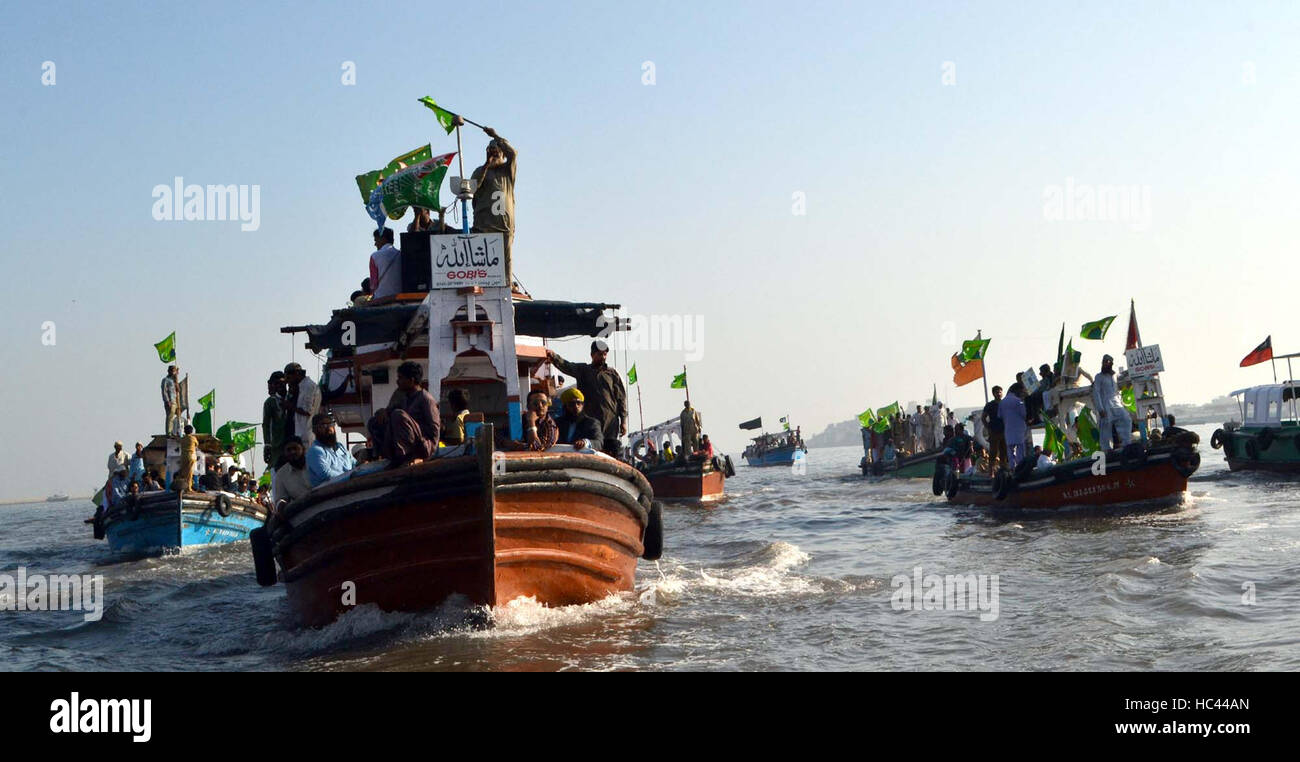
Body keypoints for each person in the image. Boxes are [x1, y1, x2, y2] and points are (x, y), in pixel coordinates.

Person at [545, 340, 627, 457]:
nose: (603, 357)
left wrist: (623, 421)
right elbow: (566, 366)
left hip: (611, 422)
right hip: (590, 421)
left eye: (604, 354)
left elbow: (621, 398)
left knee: (612, 451)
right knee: (592, 448)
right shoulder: (583, 370)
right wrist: (554, 357)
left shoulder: (612, 374)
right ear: (592, 355)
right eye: (600, 354)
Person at [468, 125, 518, 285]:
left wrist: (496, 136)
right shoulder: (480, 170)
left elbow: (513, 153)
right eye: (490, 149)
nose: (494, 152)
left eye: (497, 150)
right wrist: (486, 164)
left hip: (503, 227)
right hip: (483, 227)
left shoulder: (507, 171)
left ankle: (507, 288)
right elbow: (472, 189)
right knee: (481, 266)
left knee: (505, 266)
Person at [368, 361, 441, 467]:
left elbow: (434, 433)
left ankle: (404, 456)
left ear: (411, 380)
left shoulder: (426, 399)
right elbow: (388, 413)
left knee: (398, 415)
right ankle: (386, 456)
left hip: (422, 447)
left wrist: (421, 441)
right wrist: (382, 412)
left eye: (401, 378)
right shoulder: (405, 399)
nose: (398, 382)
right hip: (409, 443)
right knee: (374, 421)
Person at [1092, 354, 1132, 450]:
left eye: (1107, 362)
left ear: (1111, 363)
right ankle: (1106, 449)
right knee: (1105, 428)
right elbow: (1096, 393)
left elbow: (1117, 392)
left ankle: (1127, 444)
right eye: (1104, 362)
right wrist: (1100, 409)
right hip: (1106, 406)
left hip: (1117, 404)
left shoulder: (1113, 377)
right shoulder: (1098, 377)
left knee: (1126, 419)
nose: (1105, 364)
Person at [306, 413, 357, 486]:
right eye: (323, 425)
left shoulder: (340, 447)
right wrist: (350, 476)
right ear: (314, 430)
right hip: (328, 493)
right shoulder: (315, 451)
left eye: (331, 424)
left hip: (348, 487)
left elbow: (354, 464)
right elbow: (326, 475)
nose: (328, 428)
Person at [284, 362, 321, 449]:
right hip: (300, 434)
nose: (288, 381)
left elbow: (308, 411)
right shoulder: (301, 387)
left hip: (306, 435)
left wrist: (290, 406)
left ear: (296, 374)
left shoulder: (308, 386)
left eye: (289, 378)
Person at [272, 437, 313, 508]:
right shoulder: (281, 475)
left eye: (295, 448)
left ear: (303, 449)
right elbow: (280, 499)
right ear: (284, 453)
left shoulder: (316, 462)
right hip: (304, 511)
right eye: (289, 450)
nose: (292, 452)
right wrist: (281, 505)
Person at [999, 383, 1029, 470]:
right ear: (1018, 390)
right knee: (1020, 449)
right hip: (1019, 428)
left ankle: (1012, 467)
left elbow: (1000, 416)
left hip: (1008, 429)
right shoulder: (1019, 401)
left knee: (1010, 450)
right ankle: (1020, 466)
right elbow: (1024, 414)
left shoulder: (1002, 402)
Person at [368, 228, 402, 301]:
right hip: (400, 296)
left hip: (381, 297)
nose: (375, 244)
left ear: (382, 239)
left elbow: (373, 284)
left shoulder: (374, 256)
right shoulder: (401, 254)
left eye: (376, 240)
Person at [263, 371, 288, 468]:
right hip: (277, 446)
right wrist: (267, 445)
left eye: (282, 383)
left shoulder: (292, 397)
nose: (280, 386)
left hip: (292, 443)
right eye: (276, 383)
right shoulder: (270, 402)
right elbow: (266, 425)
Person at [981, 386, 1007, 473]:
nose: (999, 394)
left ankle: (1003, 470)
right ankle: (991, 471)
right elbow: (983, 417)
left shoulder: (1005, 403)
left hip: (1004, 430)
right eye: (997, 392)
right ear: (993, 394)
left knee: (1004, 451)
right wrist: (988, 427)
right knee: (993, 452)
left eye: (1000, 392)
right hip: (994, 431)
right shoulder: (990, 405)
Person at [174, 425, 198, 493]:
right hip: (190, 456)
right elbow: (197, 444)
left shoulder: (183, 438)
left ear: (184, 431)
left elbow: (178, 440)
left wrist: (176, 436)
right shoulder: (193, 438)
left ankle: (179, 486)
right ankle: (188, 488)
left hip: (183, 456)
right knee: (189, 473)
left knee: (182, 472)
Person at [161, 365, 181, 437]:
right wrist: (167, 401)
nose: (173, 372)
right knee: (170, 416)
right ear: (168, 371)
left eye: (174, 371)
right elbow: (164, 391)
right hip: (169, 401)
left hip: (175, 401)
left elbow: (178, 390)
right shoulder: (165, 380)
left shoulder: (174, 380)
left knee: (175, 417)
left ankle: (174, 431)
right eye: (172, 370)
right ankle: (168, 432)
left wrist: (176, 380)